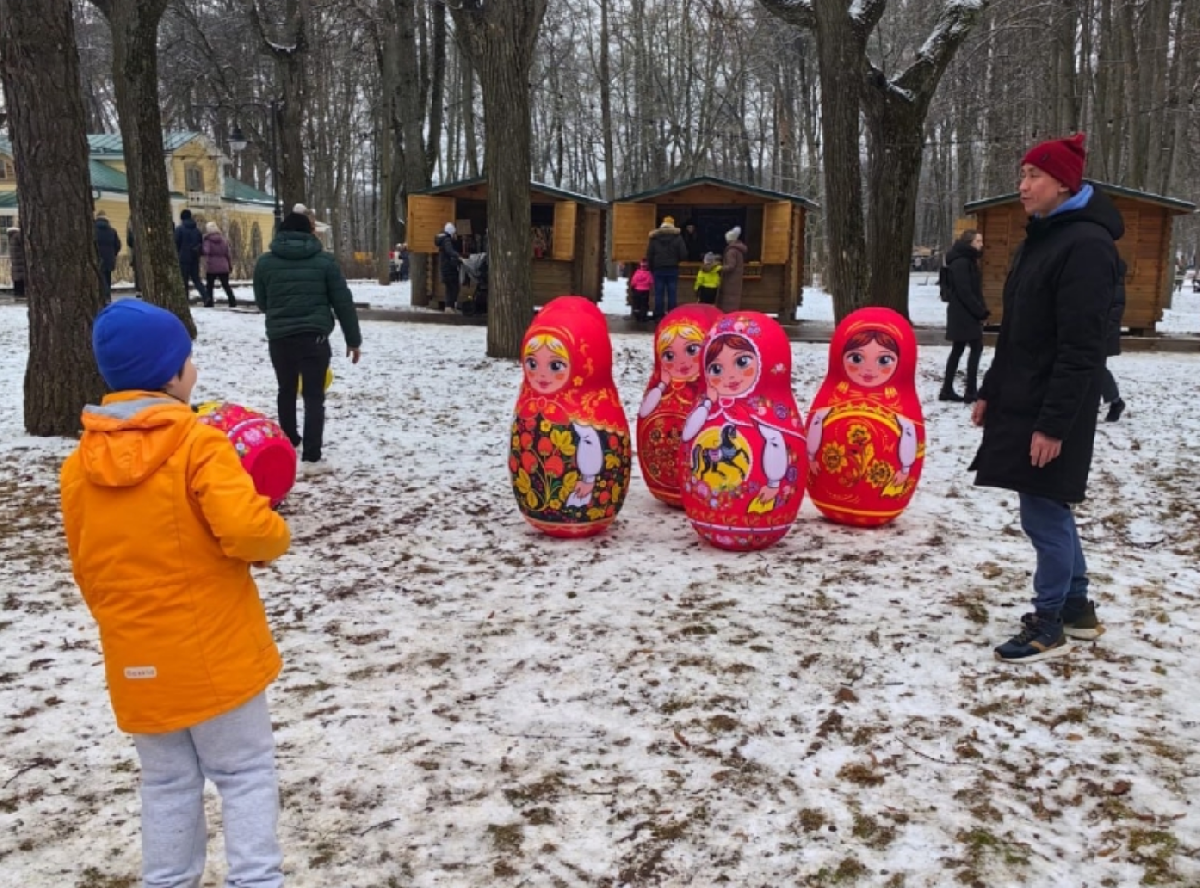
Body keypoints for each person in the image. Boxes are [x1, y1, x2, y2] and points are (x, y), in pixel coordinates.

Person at [60, 300, 292, 888]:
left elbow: (87, 568)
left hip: (137, 661)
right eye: (187, 360)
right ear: (170, 374)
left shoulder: (79, 467)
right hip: (216, 653)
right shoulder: (198, 445)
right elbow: (247, 531)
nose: (194, 369)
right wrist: (275, 531)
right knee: (244, 772)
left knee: (166, 782)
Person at [971, 132, 1120, 664]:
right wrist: (989, 391)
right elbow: (1017, 332)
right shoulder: (1043, 238)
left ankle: (1049, 621)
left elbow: (1082, 349)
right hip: (1023, 396)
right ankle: (1076, 609)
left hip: (1055, 406)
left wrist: (1054, 425)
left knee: (1043, 511)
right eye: (1023, 174)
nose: (1023, 185)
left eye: (1034, 175)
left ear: (1064, 184)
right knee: (1048, 504)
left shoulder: (1087, 247)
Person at [254, 209, 363, 474]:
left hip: (280, 338)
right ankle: (312, 457)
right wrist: (353, 340)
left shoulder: (265, 263)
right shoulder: (325, 262)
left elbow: (262, 302)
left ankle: (289, 441)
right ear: (310, 233)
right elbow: (343, 302)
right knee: (314, 396)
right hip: (314, 338)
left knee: (286, 389)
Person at [939, 229, 990, 403]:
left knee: (960, 349)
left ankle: (948, 389)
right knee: (974, 348)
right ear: (969, 243)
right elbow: (965, 291)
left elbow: (973, 290)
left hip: (964, 313)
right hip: (963, 314)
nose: (981, 244)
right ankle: (969, 391)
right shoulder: (962, 262)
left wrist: (981, 309)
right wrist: (980, 311)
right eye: (978, 241)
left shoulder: (967, 260)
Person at [645, 216, 688, 321]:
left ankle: (658, 315)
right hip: (672, 268)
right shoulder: (678, 237)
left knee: (659, 292)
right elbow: (683, 254)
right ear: (673, 225)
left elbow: (649, 254)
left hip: (658, 269)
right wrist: (676, 260)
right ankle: (671, 314)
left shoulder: (654, 238)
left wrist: (651, 267)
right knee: (672, 292)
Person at [1100, 257, 1127, 422]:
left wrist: (1104, 330)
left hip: (1101, 331)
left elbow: (1116, 306)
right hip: (1091, 328)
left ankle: (1116, 402)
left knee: (1095, 368)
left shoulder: (1112, 273)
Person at [202, 221, 237, 308]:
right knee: (226, 285)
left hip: (212, 266)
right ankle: (232, 301)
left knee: (210, 286)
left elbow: (206, 251)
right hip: (223, 265)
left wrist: (205, 261)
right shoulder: (223, 240)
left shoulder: (207, 240)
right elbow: (227, 254)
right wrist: (230, 265)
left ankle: (210, 302)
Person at [174, 209, 206, 303]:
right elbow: (201, 244)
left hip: (183, 259)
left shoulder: (179, 229)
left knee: (184, 281)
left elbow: (175, 243)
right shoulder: (197, 231)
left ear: (182, 218)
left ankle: (185, 300)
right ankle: (206, 297)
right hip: (194, 258)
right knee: (196, 280)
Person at [434, 222, 463, 314]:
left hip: (446, 267)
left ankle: (450, 306)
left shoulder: (444, 240)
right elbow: (449, 251)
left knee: (451, 287)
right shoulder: (447, 240)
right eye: (454, 233)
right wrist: (458, 256)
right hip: (449, 268)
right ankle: (449, 306)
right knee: (453, 287)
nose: (455, 234)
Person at [94, 210, 122, 304]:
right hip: (109, 259)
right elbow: (118, 245)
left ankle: (103, 298)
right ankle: (107, 297)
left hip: (97, 259)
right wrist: (113, 254)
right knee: (107, 278)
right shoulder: (112, 231)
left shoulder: (93, 231)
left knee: (100, 279)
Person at [718, 226, 747, 312]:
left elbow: (731, 266)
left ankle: (728, 316)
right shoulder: (738, 250)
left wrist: (719, 268)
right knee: (734, 301)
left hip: (730, 280)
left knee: (728, 304)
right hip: (736, 280)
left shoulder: (731, 251)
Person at [628, 258, 654, 322]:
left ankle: (637, 316)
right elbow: (651, 282)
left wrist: (632, 287)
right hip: (645, 291)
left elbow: (633, 281)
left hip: (637, 290)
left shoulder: (637, 273)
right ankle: (643, 316)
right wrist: (650, 286)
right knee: (644, 304)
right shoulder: (648, 274)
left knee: (637, 304)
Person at [126, 219, 143, 297]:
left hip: (136, 253)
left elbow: (129, 242)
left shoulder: (131, 228)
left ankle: (138, 290)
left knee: (137, 273)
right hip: (142, 252)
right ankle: (141, 289)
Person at [7, 227, 26, 299]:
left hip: (15, 264)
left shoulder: (11, 239)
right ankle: (21, 295)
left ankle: (18, 294)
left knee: (17, 279)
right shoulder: (17, 236)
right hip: (21, 263)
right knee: (22, 279)